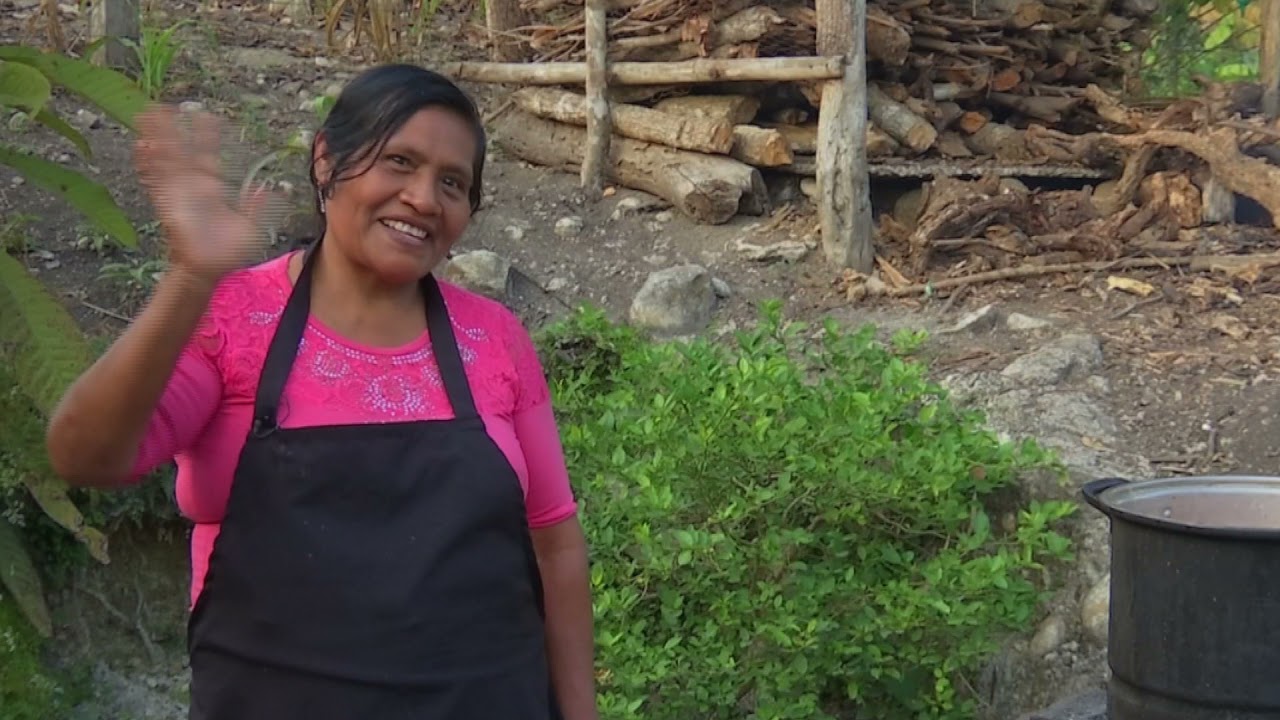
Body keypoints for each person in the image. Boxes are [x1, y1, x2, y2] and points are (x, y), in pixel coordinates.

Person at [45, 63, 598, 720]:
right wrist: (191, 278)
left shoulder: (495, 339)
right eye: (399, 161)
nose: (424, 197)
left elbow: (556, 546)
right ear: (327, 161)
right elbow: (84, 456)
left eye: (453, 183)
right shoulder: (229, 319)